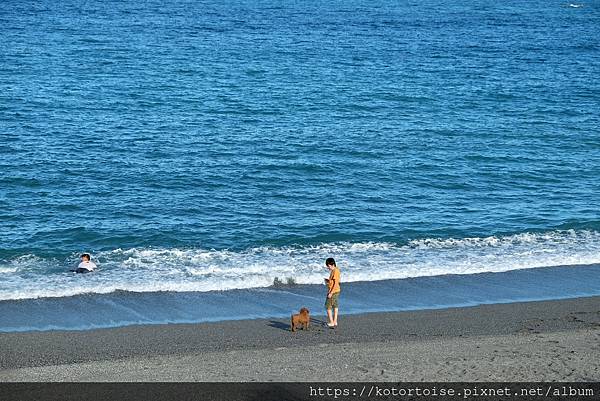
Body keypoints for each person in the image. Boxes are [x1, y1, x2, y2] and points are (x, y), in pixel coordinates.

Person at [324, 257, 340, 328]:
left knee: (327, 306)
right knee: (335, 305)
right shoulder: (335, 270)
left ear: (332, 264)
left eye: (328, 266)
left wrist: (331, 292)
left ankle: (331, 322)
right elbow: (333, 282)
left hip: (334, 291)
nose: (328, 267)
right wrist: (328, 281)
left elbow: (336, 283)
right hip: (336, 290)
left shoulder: (335, 271)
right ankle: (335, 321)